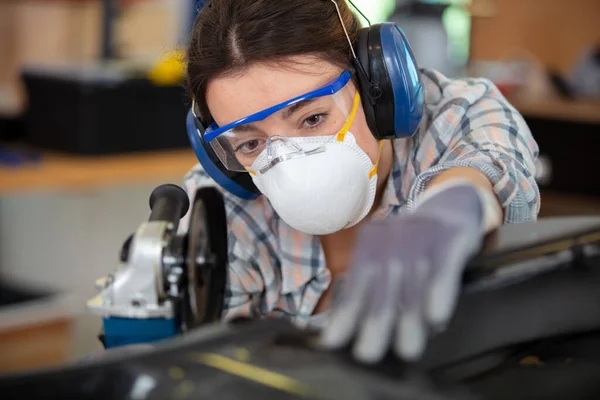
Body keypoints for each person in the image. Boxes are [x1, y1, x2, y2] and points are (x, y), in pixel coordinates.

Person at [180, 0, 540, 364]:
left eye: (312, 119)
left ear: (375, 89)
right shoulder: (217, 206)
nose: (288, 164)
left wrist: (457, 201)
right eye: (251, 143)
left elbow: (490, 158)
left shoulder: (457, 110)